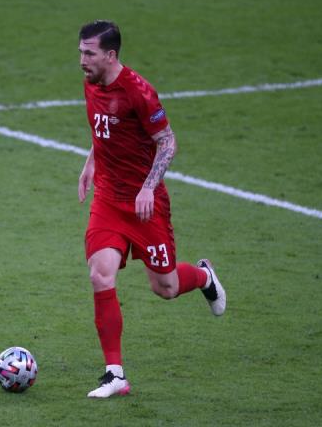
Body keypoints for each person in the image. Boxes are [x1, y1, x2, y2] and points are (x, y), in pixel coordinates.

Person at [77, 20, 227, 399]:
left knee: (166, 287)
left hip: (145, 205)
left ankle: (204, 277)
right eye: (81, 52)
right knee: (100, 274)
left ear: (110, 55)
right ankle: (115, 375)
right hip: (108, 198)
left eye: (89, 53)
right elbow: (105, 128)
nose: (82, 60)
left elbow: (168, 142)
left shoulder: (138, 92)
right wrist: (91, 161)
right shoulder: (92, 81)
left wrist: (147, 186)